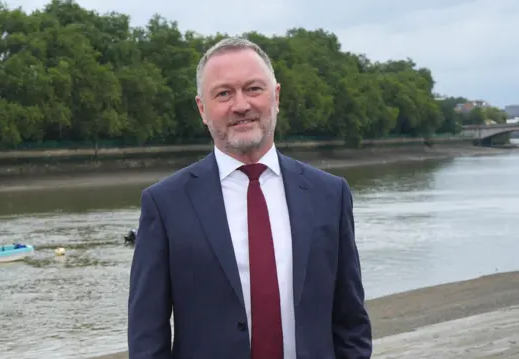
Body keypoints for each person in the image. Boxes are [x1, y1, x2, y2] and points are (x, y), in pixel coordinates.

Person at [127, 37, 372, 359]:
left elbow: (350, 320)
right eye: (224, 93)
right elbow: (147, 334)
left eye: (253, 89)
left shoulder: (330, 195)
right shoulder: (165, 204)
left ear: (276, 96)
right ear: (202, 108)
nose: (241, 105)